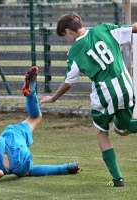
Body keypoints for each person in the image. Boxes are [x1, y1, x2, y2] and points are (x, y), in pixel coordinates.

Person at [40, 12, 137, 187]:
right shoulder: (104, 29)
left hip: (105, 94)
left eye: (64, 36)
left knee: (102, 132)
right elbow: (134, 28)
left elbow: (69, 82)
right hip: (127, 87)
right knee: (121, 129)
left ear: (69, 31)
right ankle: (118, 177)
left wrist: (53, 98)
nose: (67, 39)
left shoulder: (75, 52)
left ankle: (118, 179)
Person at [0, 66, 80, 184]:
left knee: (28, 171)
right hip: (10, 138)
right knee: (35, 117)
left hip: (15, 160)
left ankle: (67, 167)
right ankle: (31, 93)